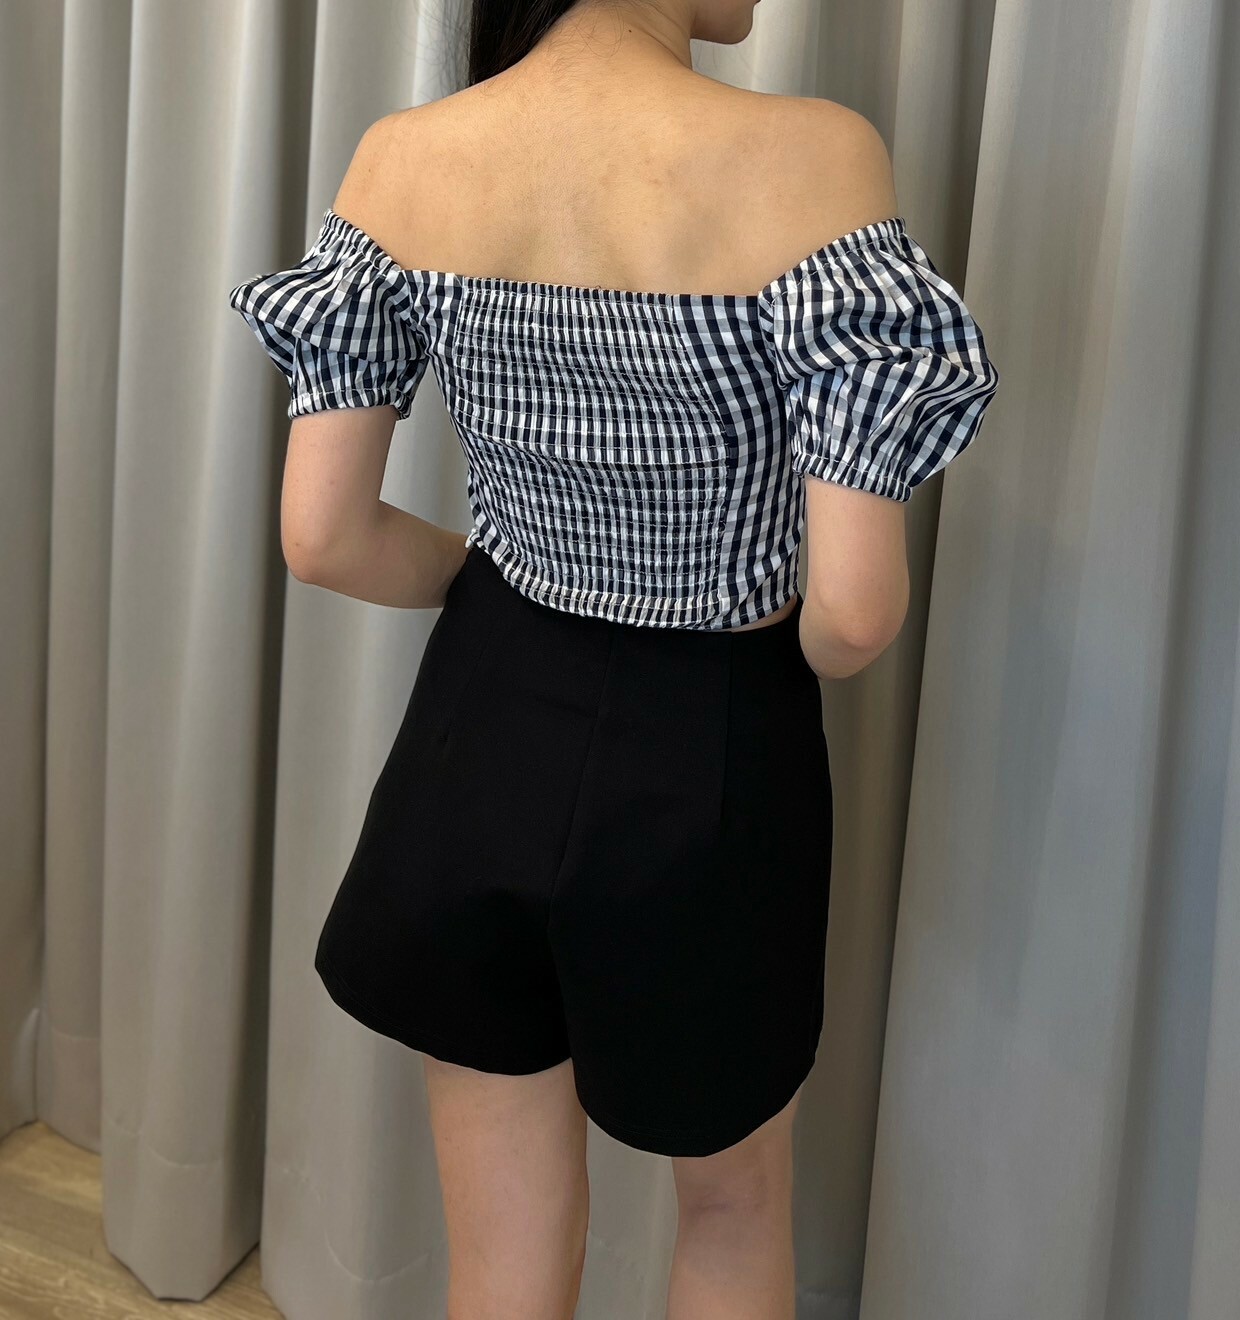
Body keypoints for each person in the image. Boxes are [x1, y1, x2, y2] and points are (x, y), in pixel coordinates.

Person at [227, 1, 1000, 1315]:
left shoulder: (403, 157)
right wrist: (777, 641)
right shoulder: (815, 157)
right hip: (711, 741)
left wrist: (498, 584)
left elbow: (323, 535)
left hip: (479, 724)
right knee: (731, 1210)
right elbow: (854, 615)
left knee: (503, 1244)